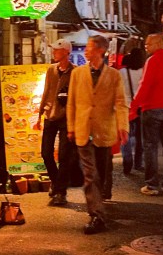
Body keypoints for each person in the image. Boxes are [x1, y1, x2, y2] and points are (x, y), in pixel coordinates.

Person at [67, 35, 128, 234]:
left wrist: (123, 126)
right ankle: (96, 215)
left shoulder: (113, 75)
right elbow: (72, 102)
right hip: (83, 129)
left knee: (101, 172)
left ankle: (99, 203)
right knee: (90, 174)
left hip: (103, 130)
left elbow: (120, 102)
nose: (86, 50)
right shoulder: (77, 74)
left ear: (100, 50)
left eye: (90, 47)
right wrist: (71, 126)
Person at [130, 33, 163, 196]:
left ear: (158, 44)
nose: (146, 47)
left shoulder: (152, 61)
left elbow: (145, 85)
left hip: (152, 109)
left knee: (151, 147)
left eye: (148, 44)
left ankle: (152, 185)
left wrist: (134, 105)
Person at [35, 39, 75, 206]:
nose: (54, 53)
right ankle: (56, 183)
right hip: (50, 115)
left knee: (65, 156)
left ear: (66, 52)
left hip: (66, 117)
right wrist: (39, 115)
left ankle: (60, 192)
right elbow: (46, 92)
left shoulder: (75, 72)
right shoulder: (51, 70)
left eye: (57, 50)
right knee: (45, 153)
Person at [119, 48, 145, 175]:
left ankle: (127, 161)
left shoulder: (122, 72)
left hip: (126, 107)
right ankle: (138, 162)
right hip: (140, 108)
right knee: (140, 138)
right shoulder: (143, 71)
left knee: (125, 136)